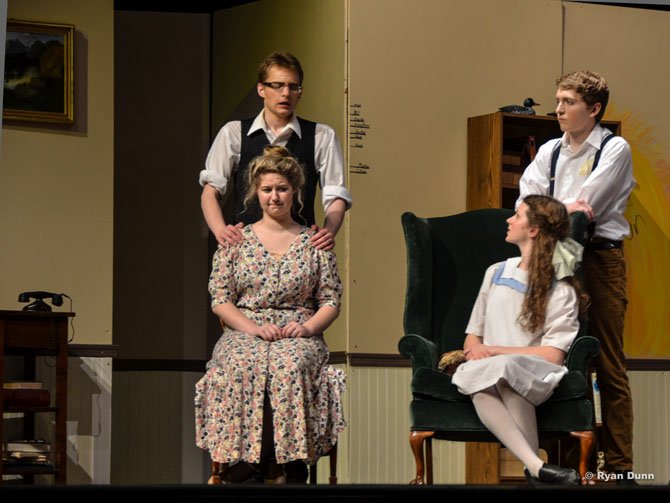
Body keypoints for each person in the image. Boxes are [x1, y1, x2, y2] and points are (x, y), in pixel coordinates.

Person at [194, 145, 345, 485]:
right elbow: (220, 299)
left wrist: (306, 329)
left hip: (298, 330)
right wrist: (252, 327)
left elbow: (331, 300)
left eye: (282, 189)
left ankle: (286, 461)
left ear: (295, 191)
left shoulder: (315, 243)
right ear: (255, 193)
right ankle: (261, 461)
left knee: (290, 364)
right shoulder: (235, 241)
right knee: (244, 362)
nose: (274, 197)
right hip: (245, 329)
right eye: (267, 189)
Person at [517, 70, 636, 483]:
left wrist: (555, 210)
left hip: (599, 260)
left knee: (607, 363)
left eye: (568, 101)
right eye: (558, 100)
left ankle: (619, 468)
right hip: (556, 260)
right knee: (561, 360)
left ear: (594, 108)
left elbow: (588, 207)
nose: (559, 109)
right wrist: (557, 210)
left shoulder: (614, 148)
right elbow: (527, 204)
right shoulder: (549, 151)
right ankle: (567, 466)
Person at [451, 195, 588, 485]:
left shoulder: (560, 288)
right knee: (486, 381)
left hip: (533, 370)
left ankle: (534, 470)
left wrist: (494, 351)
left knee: (507, 372)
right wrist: (476, 350)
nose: (508, 220)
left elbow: (553, 356)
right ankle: (537, 469)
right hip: (488, 369)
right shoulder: (496, 272)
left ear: (534, 229)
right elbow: (472, 335)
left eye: (517, 215)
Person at [200, 51, 352, 251]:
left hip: (300, 253)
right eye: (277, 85)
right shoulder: (234, 132)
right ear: (261, 89)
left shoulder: (321, 135)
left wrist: (329, 232)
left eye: (293, 87)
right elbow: (210, 191)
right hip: (247, 251)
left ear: (300, 91)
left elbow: (335, 194)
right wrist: (221, 231)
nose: (286, 93)